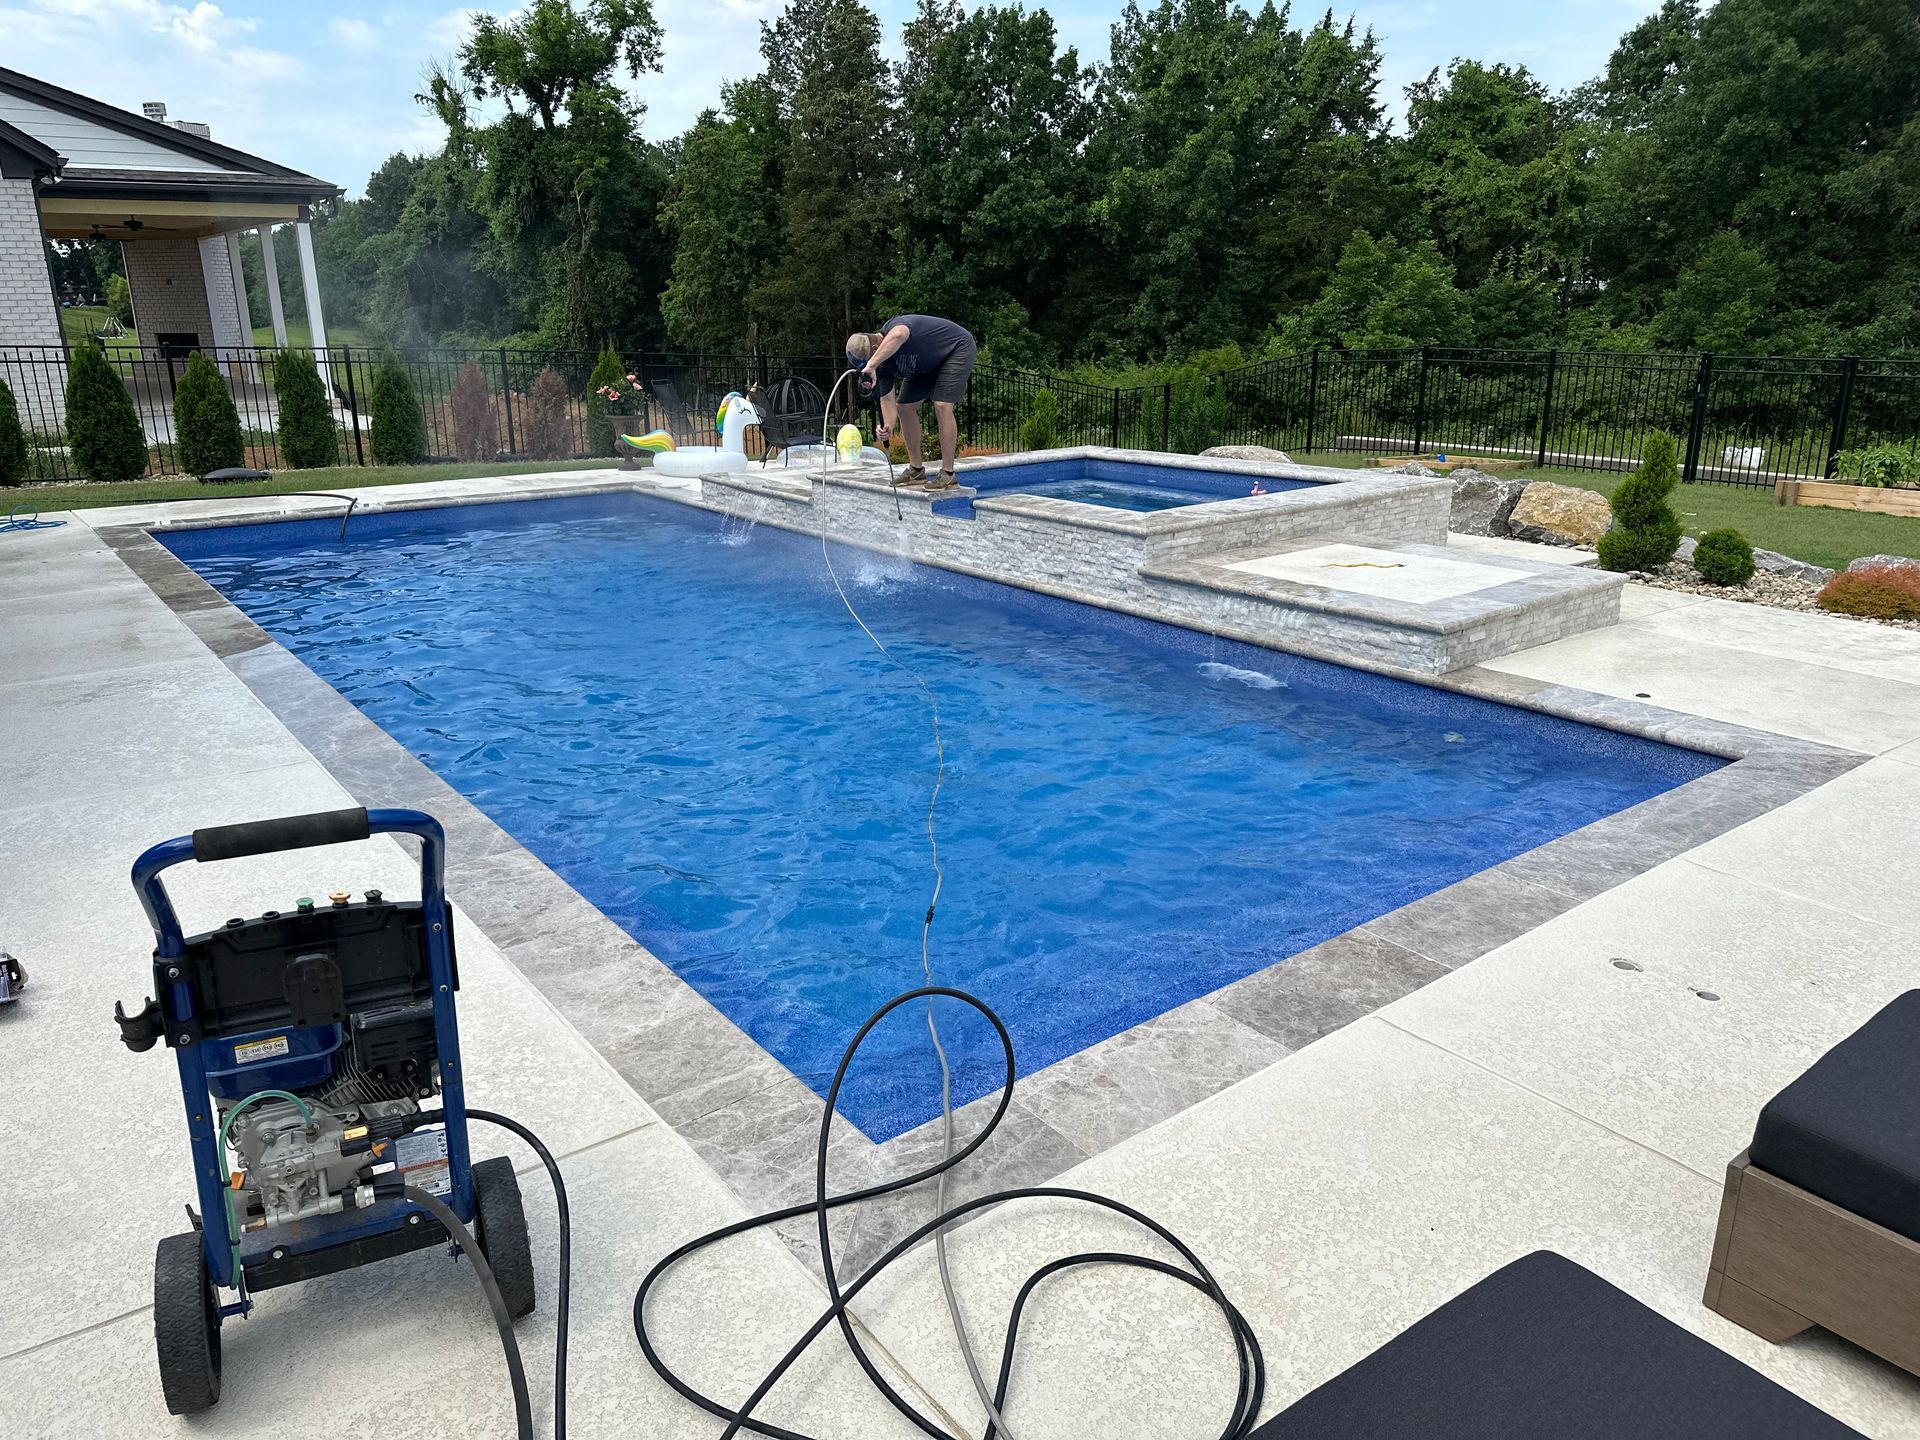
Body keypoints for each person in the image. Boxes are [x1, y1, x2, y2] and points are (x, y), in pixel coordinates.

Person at [845, 315, 976, 489]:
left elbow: (899, 334)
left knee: (942, 405)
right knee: (904, 407)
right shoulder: (881, 369)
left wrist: (872, 364)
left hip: (956, 349)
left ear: (876, 348)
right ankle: (916, 471)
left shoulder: (894, 326)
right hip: (926, 367)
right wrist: (888, 427)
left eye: (869, 360)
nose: (869, 366)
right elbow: (887, 400)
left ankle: (948, 474)